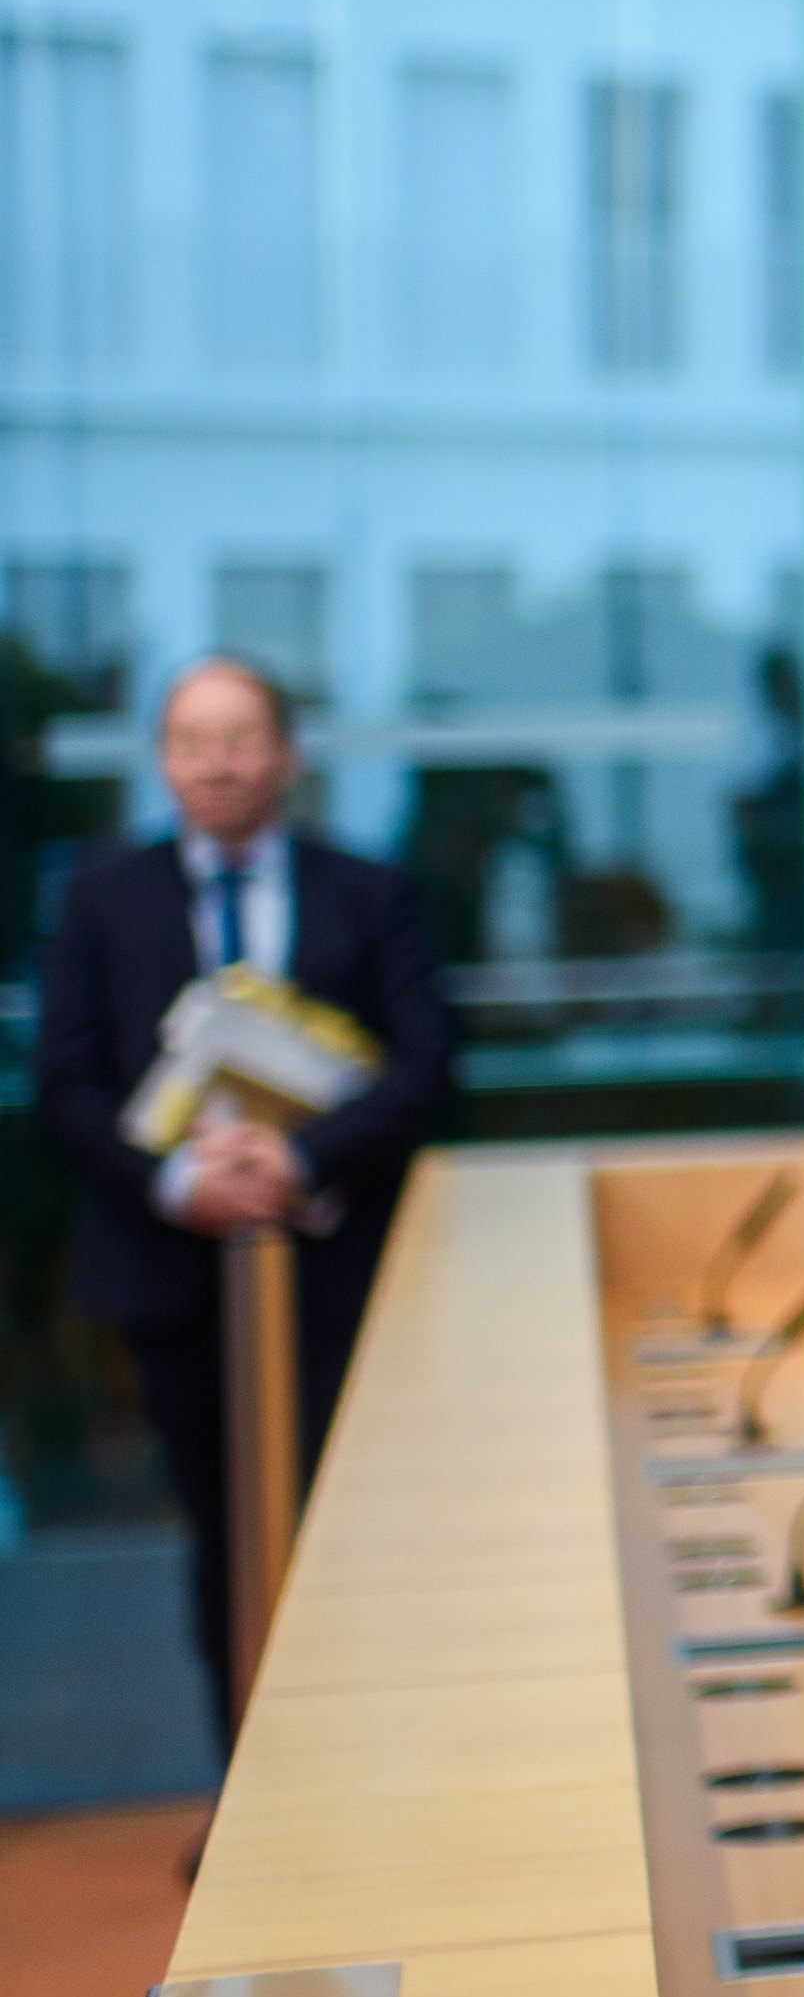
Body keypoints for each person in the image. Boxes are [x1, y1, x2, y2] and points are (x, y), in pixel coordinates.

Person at [37, 655, 457, 1747]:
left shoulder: (369, 889)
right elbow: (67, 1084)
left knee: (346, 1532)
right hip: (169, 1270)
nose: (213, 761)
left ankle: (355, 1776)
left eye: (236, 736)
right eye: (189, 739)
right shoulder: (98, 892)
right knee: (221, 1538)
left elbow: (427, 1065)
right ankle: (244, 1794)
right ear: (162, 760)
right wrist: (180, 1178)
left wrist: (301, 1158)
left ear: (285, 752)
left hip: (337, 1271)